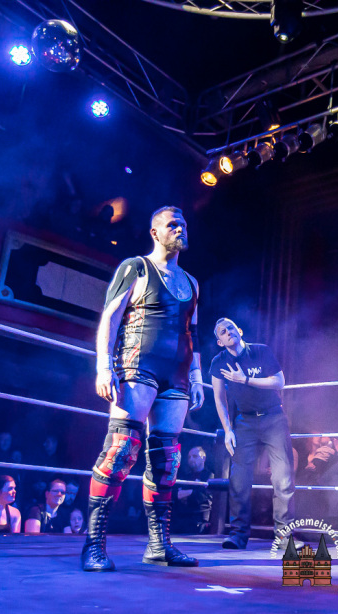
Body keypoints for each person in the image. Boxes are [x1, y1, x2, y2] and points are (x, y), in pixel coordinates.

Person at [82, 205, 204, 571]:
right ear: (155, 232)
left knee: (167, 461)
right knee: (120, 450)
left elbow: (193, 332)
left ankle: (159, 546)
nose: (180, 229)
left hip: (177, 376)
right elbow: (110, 316)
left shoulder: (192, 282)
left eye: (183, 224)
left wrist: (197, 376)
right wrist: (104, 367)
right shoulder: (136, 267)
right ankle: (93, 545)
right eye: (172, 224)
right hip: (137, 367)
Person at [210, 318, 296, 550]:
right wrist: (227, 430)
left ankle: (284, 538)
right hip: (244, 421)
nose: (228, 332)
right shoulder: (219, 362)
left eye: (230, 327)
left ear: (239, 330)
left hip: (273, 417)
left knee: (283, 478)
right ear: (220, 342)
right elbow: (219, 398)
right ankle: (238, 535)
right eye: (222, 332)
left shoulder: (260, 351)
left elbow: (279, 382)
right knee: (239, 479)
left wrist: (245, 380)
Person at [173, 446, 214, 534]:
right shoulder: (186, 476)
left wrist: (189, 493)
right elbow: (177, 495)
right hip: (183, 516)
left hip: (199, 518)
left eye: (195, 456)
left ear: (203, 458)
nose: (191, 459)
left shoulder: (209, 476)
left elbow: (202, 496)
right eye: (189, 457)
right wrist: (193, 492)